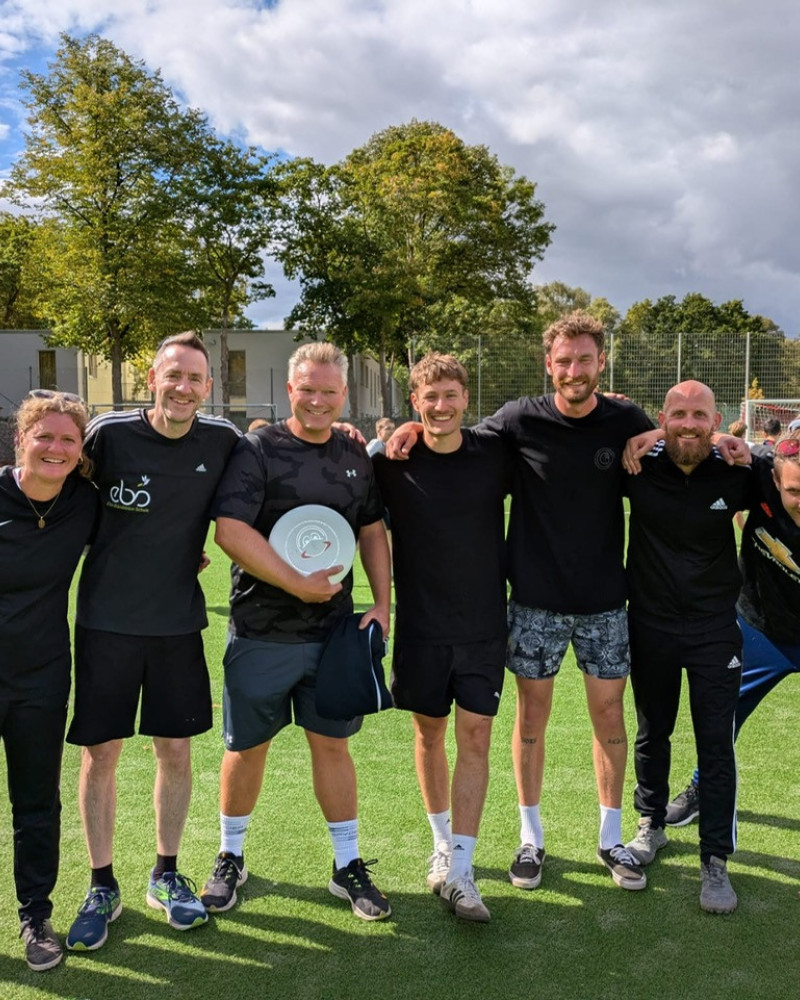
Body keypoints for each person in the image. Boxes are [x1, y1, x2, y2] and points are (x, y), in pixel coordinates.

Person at [390, 311, 655, 891]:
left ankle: (611, 840)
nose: (575, 370)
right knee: (530, 718)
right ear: (549, 364)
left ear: (601, 362)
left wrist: (660, 433)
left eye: (585, 359)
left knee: (609, 717)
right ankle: (530, 838)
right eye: (564, 360)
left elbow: (669, 435)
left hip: (606, 603)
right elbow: (454, 436)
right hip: (532, 602)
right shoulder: (516, 420)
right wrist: (409, 428)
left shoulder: (626, 419)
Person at [199, 342, 392, 922]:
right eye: (307, 389)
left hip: (333, 635)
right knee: (246, 748)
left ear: (344, 396)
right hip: (261, 631)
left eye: (329, 391)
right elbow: (230, 531)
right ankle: (231, 856)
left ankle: (347, 865)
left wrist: (383, 602)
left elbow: (373, 530)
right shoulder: (258, 448)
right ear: (290, 391)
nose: (317, 400)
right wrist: (295, 583)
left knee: (332, 745)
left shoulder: (356, 457)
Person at [65, 332, 240, 951]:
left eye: (195, 379)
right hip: (105, 624)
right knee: (102, 754)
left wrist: (370, 436)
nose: (184, 388)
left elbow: (284, 456)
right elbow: (55, 473)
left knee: (175, 750)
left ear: (209, 387)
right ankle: (101, 884)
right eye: (174, 376)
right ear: (152, 377)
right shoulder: (108, 434)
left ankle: (166, 874)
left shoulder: (223, 441)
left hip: (176, 626)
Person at [372, 354, 511, 922]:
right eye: (430, 398)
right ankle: (439, 842)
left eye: (451, 395)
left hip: (483, 627)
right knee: (429, 736)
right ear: (415, 403)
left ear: (466, 399)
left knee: (475, 738)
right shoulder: (391, 463)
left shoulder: (495, 455)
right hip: (422, 629)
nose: (441, 406)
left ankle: (462, 868)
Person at [623, 380, 756, 914]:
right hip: (649, 624)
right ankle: (650, 826)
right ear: (662, 418)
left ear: (716, 420)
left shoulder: (738, 472)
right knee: (653, 731)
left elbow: (784, 482)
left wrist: (755, 450)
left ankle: (715, 860)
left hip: (714, 631)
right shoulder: (637, 468)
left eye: (699, 414)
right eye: (677, 413)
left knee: (715, 745)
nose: (688, 423)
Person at [1, 391, 98, 971]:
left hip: (40, 678)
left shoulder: (83, 502)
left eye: (68, 439)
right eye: (45, 436)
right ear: (21, 439)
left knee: (36, 803)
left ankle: (35, 916)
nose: (55, 448)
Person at [663, 428, 800, 828]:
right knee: (722, 714)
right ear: (774, 479)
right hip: (761, 629)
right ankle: (703, 788)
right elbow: (698, 434)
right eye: (794, 491)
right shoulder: (758, 471)